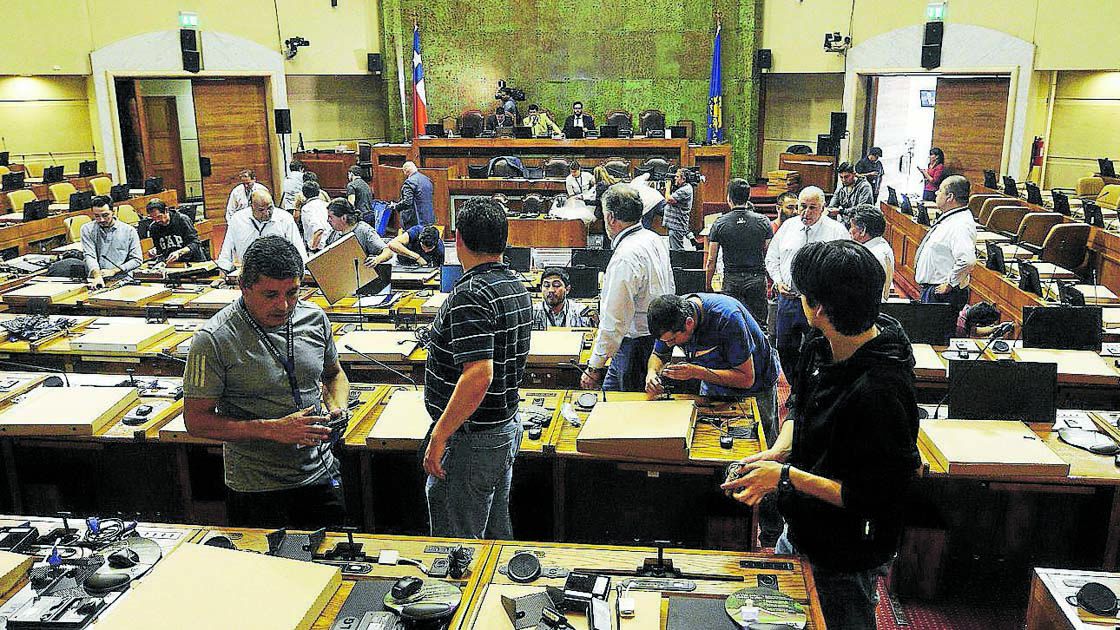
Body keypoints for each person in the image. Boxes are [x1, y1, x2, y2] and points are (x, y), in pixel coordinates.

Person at [722, 239, 920, 630]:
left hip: (848, 553)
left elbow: (873, 499)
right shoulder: (820, 342)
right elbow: (799, 404)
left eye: (803, 296)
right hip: (801, 529)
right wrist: (776, 454)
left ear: (820, 309)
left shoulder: (881, 391)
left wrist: (783, 477)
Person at [184, 236, 350, 529]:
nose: (283, 306)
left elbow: (334, 374)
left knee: (330, 566)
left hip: (320, 474)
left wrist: (337, 406)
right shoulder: (213, 339)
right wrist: (272, 430)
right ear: (243, 287)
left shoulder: (314, 319)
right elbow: (196, 421)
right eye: (270, 294)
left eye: (292, 292)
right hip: (257, 489)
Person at [422, 196, 532, 539]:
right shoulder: (514, 284)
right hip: (501, 427)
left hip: (473, 438)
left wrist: (439, 435)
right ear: (504, 240)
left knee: (458, 540)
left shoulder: (471, 294)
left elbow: (479, 375)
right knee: (496, 528)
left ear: (458, 240)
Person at [582, 184, 675, 392]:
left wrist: (595, 365)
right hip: (657, 341)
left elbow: (614, 319)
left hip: (634, 349)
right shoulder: (655, 239)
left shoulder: (626, 256)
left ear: (610, 218)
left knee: (626, 412)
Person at [765, 186, 849, 381]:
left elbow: (846, 267)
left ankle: (815, 390)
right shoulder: (788, 227)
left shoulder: (836, 231)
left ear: (823, 208)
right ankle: (796, 389)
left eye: (813, 208)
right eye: (802, 207)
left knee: (820, 350)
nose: (806, 212)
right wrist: (777, 281)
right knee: (784, 346)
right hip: (788, 300)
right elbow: (772, 258)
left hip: (819, 304)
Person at [707, 178, 772, 326]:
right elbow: (769, 254)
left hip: (731, 279)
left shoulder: (719, 223)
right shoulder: (763, 221)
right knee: (759, 325)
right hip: (756, 277)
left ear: (728, 198)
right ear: (748, 197)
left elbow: (711, 259)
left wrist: (708, 283)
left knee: (731, 324)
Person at [915, 175, 976, 313]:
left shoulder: (960, 224)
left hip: (942, 295)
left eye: (940, 190)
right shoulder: (953, 218)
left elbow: (968, 260)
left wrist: (950, 283)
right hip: (935, 292)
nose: (936, 192)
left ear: (950, 197)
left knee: (934, 334)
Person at [216, 190, 306, 283]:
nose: (267, 213)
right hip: (249, 276)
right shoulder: (237, 219)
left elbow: (298, 250)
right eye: (261, 210)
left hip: (280, 276)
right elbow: (227, 251)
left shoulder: (285, 218)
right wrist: (221, 277)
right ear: (252, 207)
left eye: (270, 208)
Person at [80, 196, 143, 289]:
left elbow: (137, 260)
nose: (101, 220)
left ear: (113, 212)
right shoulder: (87, 229)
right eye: (97, 216)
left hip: (122, 280)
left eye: (105, 215)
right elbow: (89, 255)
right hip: (96, 280)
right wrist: (97, 275)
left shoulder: (129, 231)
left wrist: (114, 271)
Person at [848, 204, 894, 301]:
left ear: (863, 230)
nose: (849, 231)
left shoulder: (868, 256)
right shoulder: (882, 244)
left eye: (851, 226)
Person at [640, 169, 693, 251]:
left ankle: (680, 263)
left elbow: (669, 199)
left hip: (677, 225)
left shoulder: (685, 190)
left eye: (677, 177)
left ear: (683, 179)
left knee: (677, 250)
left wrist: (667, 187)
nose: (675, 178)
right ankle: (691, 237)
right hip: (675, 224)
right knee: (675, 248)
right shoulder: (684, 188)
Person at [323, 198, 387, 263]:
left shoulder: (364, 230)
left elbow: (387, 252)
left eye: (331, 217)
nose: (328, 220)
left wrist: (377, 259)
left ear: (344, 218)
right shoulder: (333, 233)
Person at [146, 199, 206, 264]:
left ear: (166, 210)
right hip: (173, 265)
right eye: (153, 218)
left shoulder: (182, 220)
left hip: (193, 261)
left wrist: (179, 252)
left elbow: (195, 243)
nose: (157, 220)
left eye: (159, 216)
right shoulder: (154, 227)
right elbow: (160, 249)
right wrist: (155, 251)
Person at [387, 161, 435, 229]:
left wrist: (396, 206)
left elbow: (407, 202)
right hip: (429, 219)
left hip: (415, 221)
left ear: (405, 171)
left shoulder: (409, 182)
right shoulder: (427, 180)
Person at [373, 224, 444, 268]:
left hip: (423, 268)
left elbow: (439, 271)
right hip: (402, 262)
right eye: (423, 246)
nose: (425, 250)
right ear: (420, 238)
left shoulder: (440, 249)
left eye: (429, 249)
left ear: (436, 243)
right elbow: (392, 244)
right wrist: (417, 257)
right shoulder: (415, 232)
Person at [299, 181, 330, 253]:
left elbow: (318, 230)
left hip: (318, 248)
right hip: (330, 244)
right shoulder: (327, 205)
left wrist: (312, 249)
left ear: (303, 194)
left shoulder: (306, 209)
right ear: (319, 192)